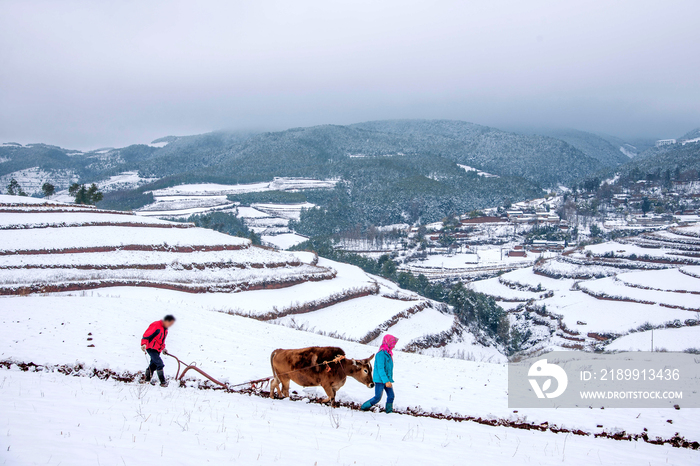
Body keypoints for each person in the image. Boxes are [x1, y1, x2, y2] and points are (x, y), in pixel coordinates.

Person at [361, 334, 398, 413]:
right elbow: (381, 369)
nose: (394, 346)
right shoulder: (381, 354)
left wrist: (388, 380)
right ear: (388, 343)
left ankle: (389, 412)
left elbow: (388, 368)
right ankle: (363, 407)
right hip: (380, 380)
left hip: (386, 379)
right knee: (377, 397)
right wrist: (386, 381)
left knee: (391, 396)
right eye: (393, 344)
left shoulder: (388, 354)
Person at [141, 315, 176, 387]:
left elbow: (161, 341)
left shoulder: (165, 330)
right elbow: (147, 335)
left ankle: (147, 380)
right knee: (159, 364)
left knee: (153, 365)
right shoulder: (156, 325)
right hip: (150, 347)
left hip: (157, 349)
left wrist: (163, 349)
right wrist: (143, 344)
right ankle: (163, 382)